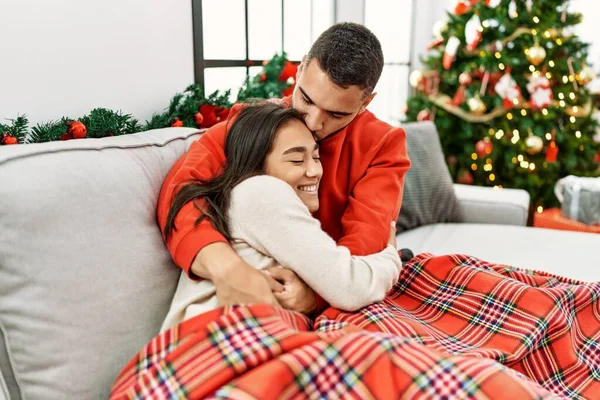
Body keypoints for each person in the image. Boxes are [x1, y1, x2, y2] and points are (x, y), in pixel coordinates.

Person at [157, 22, 410, 312]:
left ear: (366, 102)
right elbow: (182, 191)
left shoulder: (383, 144)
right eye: (306, 99)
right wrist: (228, 270)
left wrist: (316, 296)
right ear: (300, 69)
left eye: (337, 114)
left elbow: (367, 237)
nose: (314, 123)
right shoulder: (255, 124)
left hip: (338, 291)